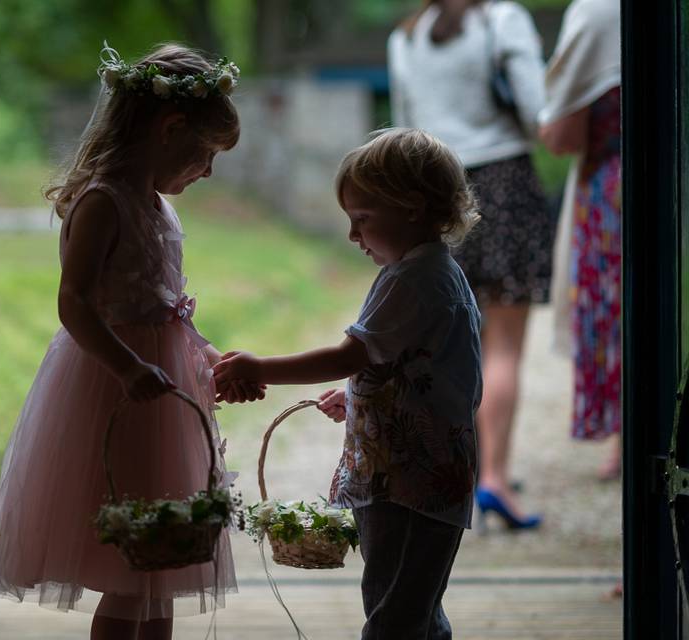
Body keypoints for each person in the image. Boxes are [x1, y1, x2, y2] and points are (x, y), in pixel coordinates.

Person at [0, 43, 259, 640]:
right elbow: (74, 302)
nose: (209, 171)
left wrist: (215, 362)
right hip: (115, 390)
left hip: (162, 393)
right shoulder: (104, 201)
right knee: (127, 571)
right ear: (171, 128)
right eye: (206, 154)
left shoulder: (158, 206)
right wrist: (127, 367)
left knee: (158, 570)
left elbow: (169, 312)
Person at [214, 128, 482, 640]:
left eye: (362, 219)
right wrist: (362, 392)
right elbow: (407, 363)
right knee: (416, 608)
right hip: (425, 478)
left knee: (394, 613)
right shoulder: (432, 271)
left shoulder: (413, 280)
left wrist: (259, 367)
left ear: (412, 207)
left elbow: (349, 354)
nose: (353, 236)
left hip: (408, 482)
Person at [387, 0, 549, 528]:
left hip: (438, 191)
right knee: (504, 344)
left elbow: (405, 133)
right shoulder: (503, 21)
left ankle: (462, 469)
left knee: (455, 343)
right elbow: (537, 111)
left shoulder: (406, 38)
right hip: (503, 186)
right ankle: (495, 479)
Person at [538, 0, 622, 479]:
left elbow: (562, 136)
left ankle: (627, 436)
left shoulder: (594, 13)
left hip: (612, 189)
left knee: (616, 311)